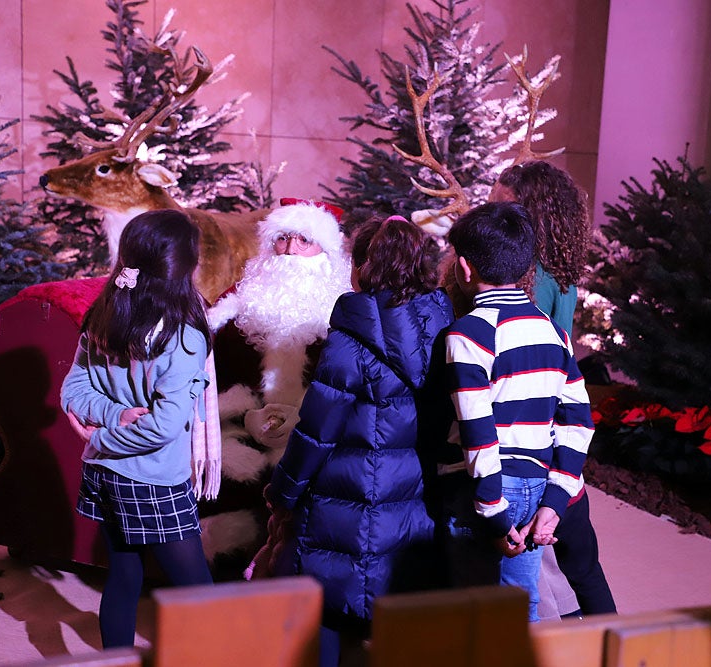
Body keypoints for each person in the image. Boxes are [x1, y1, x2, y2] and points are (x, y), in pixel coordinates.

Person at [264, 215, 454, 666]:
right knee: (391, 615)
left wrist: (283, 490)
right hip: (412, 494)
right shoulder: (443, 325)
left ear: (366, 266)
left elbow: (317, 430)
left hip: (342, 499)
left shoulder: (351, 338)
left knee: (328, 611)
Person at [60, 208, 214, 648]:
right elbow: (163, 427)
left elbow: (76, 388)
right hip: (153, 481)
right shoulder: (184, 338)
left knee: (125, 575)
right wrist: (108, 428)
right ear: (181, 267)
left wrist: (105, 421)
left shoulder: (104, 312)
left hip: (104, 473)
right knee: (202, 593)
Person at [440, 201, 595, 623]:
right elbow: (578, 422)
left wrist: (492, 512)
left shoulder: (467, 333)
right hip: (537, 484)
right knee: (520, 606)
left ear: (465, 268)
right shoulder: (554, 332)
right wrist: (556, 501)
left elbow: (478, 432)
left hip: (488, 491)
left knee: (471, 610)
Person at [490, 161, 617, 617]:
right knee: (579, 558)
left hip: (531, 426)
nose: (489, 215)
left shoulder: (529, 280)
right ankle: (611, 635)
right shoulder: (559, 267)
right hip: (561, 415)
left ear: (529, 213)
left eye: (498, 205)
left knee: (530, 559)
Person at [200, 200, 353, 566]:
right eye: (282, 238)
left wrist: (304, 419)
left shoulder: (347, 310)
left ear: (326, 251)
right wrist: (245, 417)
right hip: (243, 438)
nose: (290, 250)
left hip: (317, 440)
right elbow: (214, 378)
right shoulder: (236, 305)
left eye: (304, 240)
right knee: (227, 532)